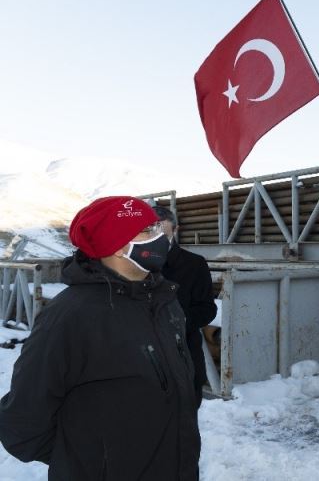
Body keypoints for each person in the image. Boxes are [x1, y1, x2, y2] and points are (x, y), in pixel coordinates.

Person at [0, 196, 200, 480]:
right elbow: (22, 422)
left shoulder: (164, 300)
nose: (160, 237)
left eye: (158, 228)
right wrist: (89, 460)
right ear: (117, 246)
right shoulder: (70, 315)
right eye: (148, 230)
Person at [153, 205, 217, 406]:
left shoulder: (194, 264)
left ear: (176, 229)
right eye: (149, 230)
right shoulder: (135, 265)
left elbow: (207, 309)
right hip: (146, 360)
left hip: (184, 353)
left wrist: (177, 322)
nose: (156, 235)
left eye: (161, 228)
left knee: (186, 419)